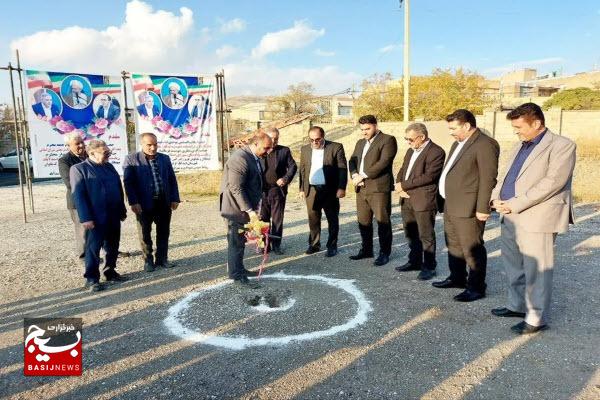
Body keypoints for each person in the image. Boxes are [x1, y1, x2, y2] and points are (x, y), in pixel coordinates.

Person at [490, 103, 576, 334]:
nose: (516, 131)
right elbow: (505, 177)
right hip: (509, 214)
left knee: (537, 269)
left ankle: (536, 318)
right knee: (513, 265)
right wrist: (495, 199)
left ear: (536, 123)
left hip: (538, 217)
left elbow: (552, 182)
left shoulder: (562, 145)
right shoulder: (519, 146)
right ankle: (516, 305)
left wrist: (515, 203)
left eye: (519, 126)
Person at [432, 109, 499, 302]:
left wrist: (483, 208)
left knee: (472, 248)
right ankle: (457, 277)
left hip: (468, 207)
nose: (451, 132)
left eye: (453, 128)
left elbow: (488, 178)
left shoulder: (485, 144)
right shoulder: (457, 144)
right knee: (453, 244)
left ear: (467, 125)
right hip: (451, 205)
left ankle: (477, 287)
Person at [70, 140, 127, 292]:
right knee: (93, 249)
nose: (109, 155)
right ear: (92, 153)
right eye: (105, 153)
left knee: (113, 245)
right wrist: (85, 217)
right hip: (95, 217)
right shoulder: (79, 169)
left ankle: (110, 272)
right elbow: (78, 195)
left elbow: (118, 188)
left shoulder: (109, 167)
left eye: (109, 152)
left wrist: (122, 209)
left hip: (113, 214)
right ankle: (91, 279)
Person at [220, 132, 273, 288]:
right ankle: (236, 275)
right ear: (255, 144)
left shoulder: (254, 157)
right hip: (235, 209)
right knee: (236, 242)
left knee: (241, 241)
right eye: (266, 148)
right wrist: (250, 210)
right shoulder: (240, 159)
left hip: (243, 208)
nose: (268, 151)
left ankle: (239, 269)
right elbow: (236, 188)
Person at [394, 123, 445, 280]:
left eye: (410, 139)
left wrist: (404, 185)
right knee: (411, 233)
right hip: (406, 197)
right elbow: (403, 170)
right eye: (406, 139)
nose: (408, 142)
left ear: (422, 137)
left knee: (426, 235)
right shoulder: (411, 151)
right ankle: (414, 261)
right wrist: (399, 185)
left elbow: (429, 177)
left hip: (424, 199)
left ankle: (429, 266)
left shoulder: (436, 152)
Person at [123, 132, 180, 272]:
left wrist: (174, 198)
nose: (153, 148)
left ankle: (162, 259)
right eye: (149, 145)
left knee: (163, 232)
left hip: (163, 202)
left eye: (155, 144)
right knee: (144, 233)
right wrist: (133, 202)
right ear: (142, 144)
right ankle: (148, 261)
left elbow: (172, 179)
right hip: (143, 204)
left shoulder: (164, 159)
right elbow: (128, 183)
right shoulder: (131, 159)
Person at [348, 114, 398, 266]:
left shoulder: (388, 140)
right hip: (361, 188)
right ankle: (367, 249)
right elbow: (352, 160)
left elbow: (384, 162)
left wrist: (362, 175)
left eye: (367, 128)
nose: (364, 132)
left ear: (376, 125)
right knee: (363, 221)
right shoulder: (360, 143)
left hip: (378, 188)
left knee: (382, 221)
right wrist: (355, 174)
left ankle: (384, 253)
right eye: (362, 129)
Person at [298, 126, 347, 257]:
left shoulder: (336, 147)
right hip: (311, 190)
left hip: (330, 190)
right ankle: (314, 245)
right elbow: (302, 169)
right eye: (311, 140)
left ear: (323, 136)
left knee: (332, 219)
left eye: (317, 139)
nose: (314, 142)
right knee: (313, 219)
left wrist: (341, 187)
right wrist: (302, 188)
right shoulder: (305, 149)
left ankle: (332, 246)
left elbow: (342, 168)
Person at [259, 127, 297, 254]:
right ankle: (264, 245)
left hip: (277, 191)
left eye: (276, 139)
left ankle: (276, 245)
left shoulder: (284, 151)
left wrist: (285, 179)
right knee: (262, 219)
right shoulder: (259, 151)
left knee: (277, 220)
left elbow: (293, 166)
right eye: (271, 138)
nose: (274, 141)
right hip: (261, 192)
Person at [58, 132, 87, 260]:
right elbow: (70, 183)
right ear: (68, 145)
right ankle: (83, 255)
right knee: (82, 229)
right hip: (77, 200)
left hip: (95, 199)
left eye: (82, 142)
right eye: (77, 143)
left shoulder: (90, 156)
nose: (81, 145)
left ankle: (108, 250)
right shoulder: (64, 160)